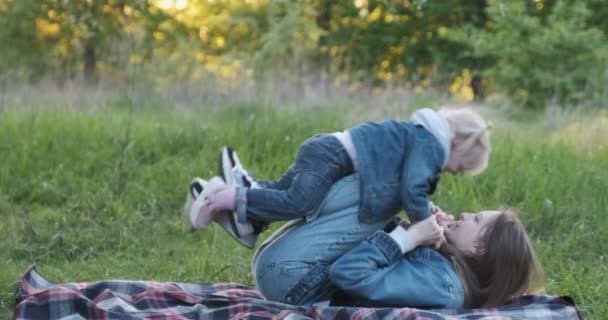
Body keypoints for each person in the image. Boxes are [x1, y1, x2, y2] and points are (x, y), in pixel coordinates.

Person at [185, 108, 491, 248]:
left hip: (328, 149)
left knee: (280, 194)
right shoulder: (431, 147)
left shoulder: (421, 138)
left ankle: (244, 188)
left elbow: (404, 181)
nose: (452, 173)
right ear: (455, 145)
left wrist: (428, 208)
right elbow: (413, 189)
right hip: (333, 157)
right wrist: (426, 225)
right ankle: (224, 197)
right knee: (298, 202)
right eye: (459, 167)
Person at [328, 209, 545, 309]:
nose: (466, 214)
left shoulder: (441, 284)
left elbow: (348, 272)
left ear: (477, 248)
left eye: (476, 219)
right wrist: (417, 224)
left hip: (316, 294)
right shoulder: (443, 268)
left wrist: (410, 237)